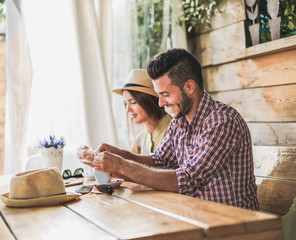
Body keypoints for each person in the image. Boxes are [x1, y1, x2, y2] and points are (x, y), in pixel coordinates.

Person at [79, 48, 259, 210]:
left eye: (165, 94)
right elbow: (159, 161)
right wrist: (118, 154)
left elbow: (187, 180)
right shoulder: (179, 123)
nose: (160, 103)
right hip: (195, 219)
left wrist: (122, 165)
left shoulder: (221, 121)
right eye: (159, 95)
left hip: (232, 226)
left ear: (189, 87)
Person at [112, 69, 171, 154]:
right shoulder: (143, 137)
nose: (128, 110)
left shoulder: (173, 131)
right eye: (126, 104)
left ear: (149, 101)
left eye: (133, 102)